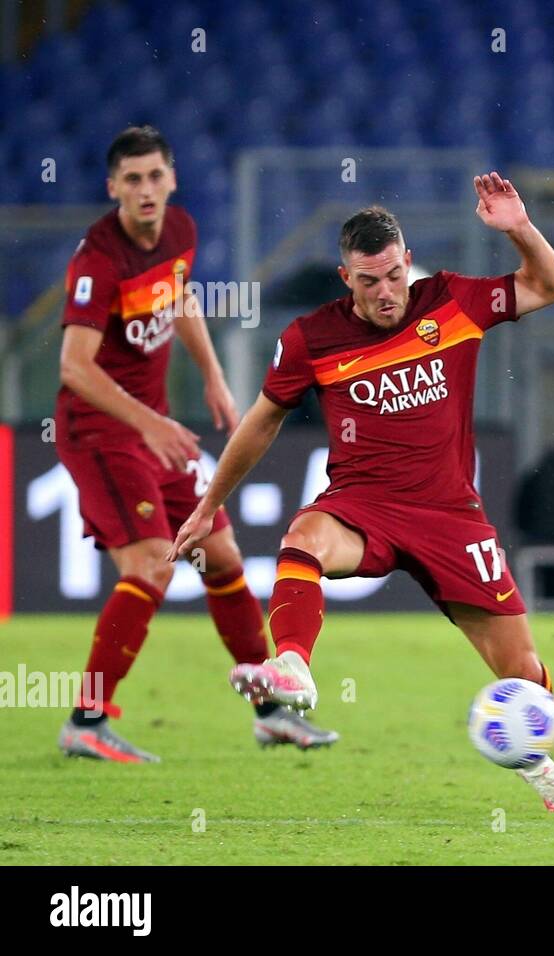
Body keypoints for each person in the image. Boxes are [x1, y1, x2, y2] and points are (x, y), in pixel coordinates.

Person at [167, 177, 554, 812]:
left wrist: (517, 229)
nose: (386, 292)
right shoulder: (312, 339)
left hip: (451, 515)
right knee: (302, 537)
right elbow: (262, 420)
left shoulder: (451, 300)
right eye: (369, 282)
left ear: (406, 261)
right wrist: (209, 504)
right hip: (363, 505)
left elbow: (551, 286)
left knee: (526, 676)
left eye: (393, 275)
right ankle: (293, 667)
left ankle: (544, 769)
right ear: (346, 278)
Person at [55, 125, 336, 763]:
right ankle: (86, 720)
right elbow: (74, 366)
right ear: (113, 188)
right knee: (152, 563)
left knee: (221, 554)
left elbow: (178, 296)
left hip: (153, 426)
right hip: (100, 432)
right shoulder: (98, 259)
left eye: (156, 176)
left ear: (172, 179)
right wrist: (148, 422)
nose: (146, 190)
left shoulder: (179, 230)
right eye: (132, 180)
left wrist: (210, 374)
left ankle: (270, 712)